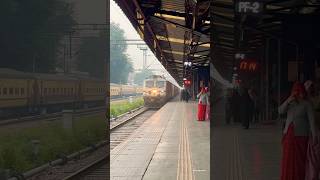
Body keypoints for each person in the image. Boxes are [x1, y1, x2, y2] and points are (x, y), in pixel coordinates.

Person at [279, 81, 317, 180]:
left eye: (299, 91)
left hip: (301, 138)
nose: (297, 94)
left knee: (299, 162)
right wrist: (288, 101)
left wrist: (314, 136)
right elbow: (280, 111)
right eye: (295, 91)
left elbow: (312, 122)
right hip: (288, 136)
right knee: (288, 160)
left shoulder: (307, 104)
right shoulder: (290, 103)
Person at [304, 80, 320, 180]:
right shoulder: (305, 101)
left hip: (316, 131)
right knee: (312, 158)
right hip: (310, 131)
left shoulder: (316, 99)